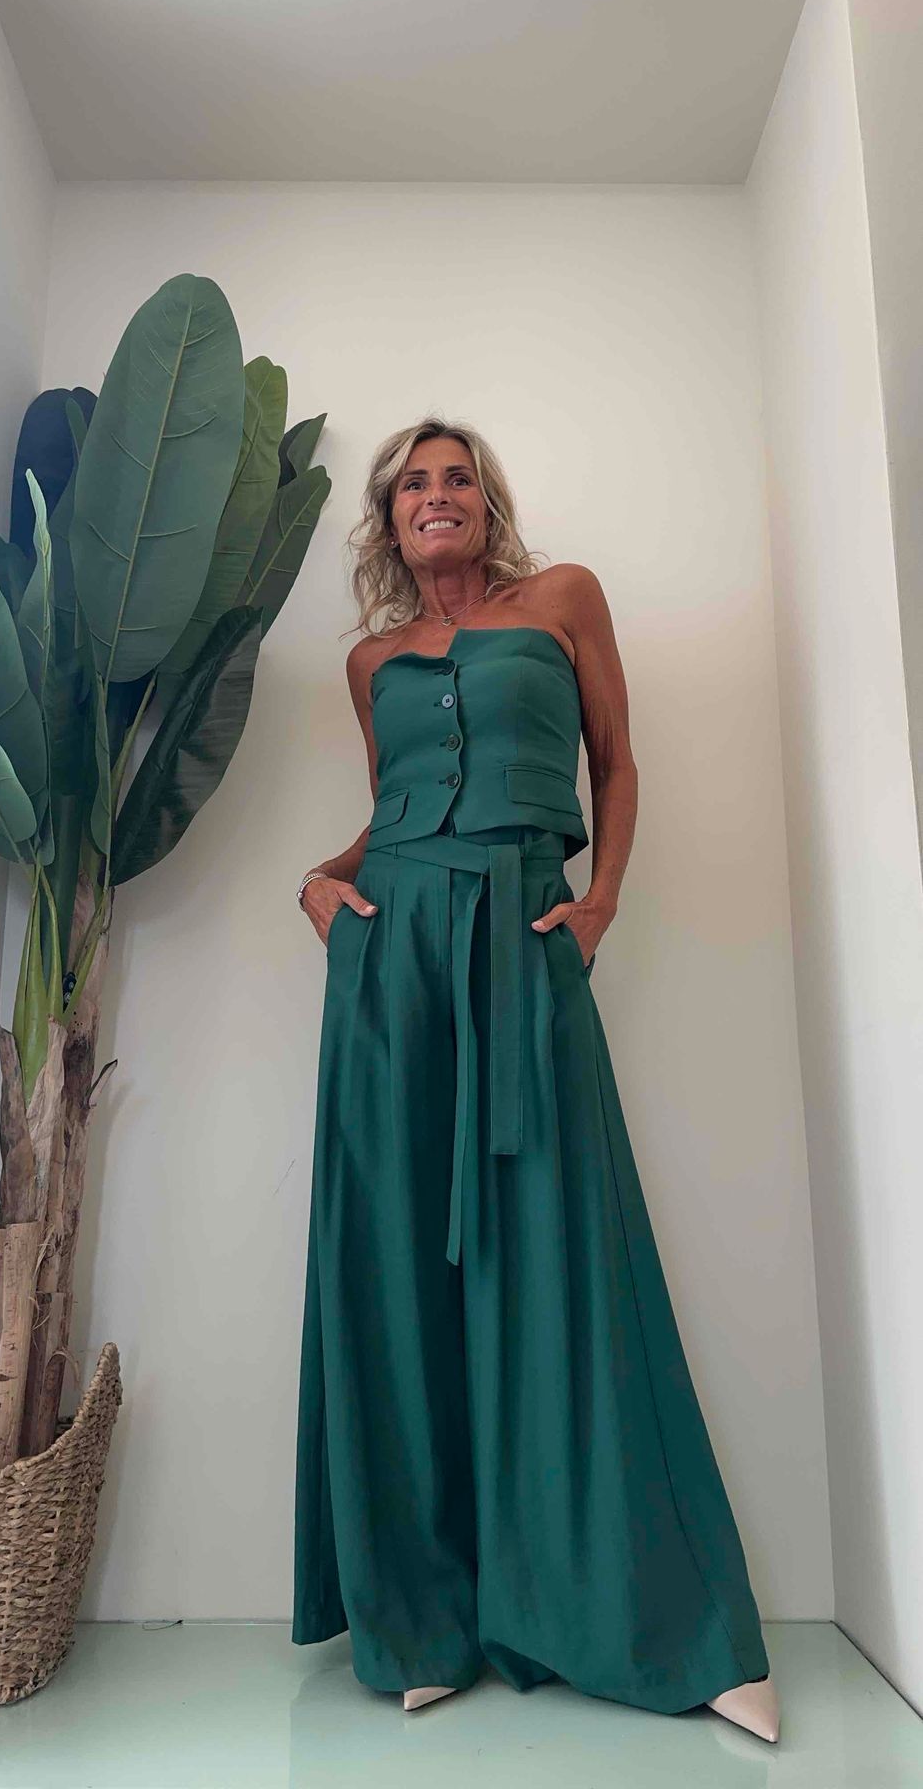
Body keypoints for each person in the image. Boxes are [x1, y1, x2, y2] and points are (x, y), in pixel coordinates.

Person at [291, 417, 780, 1744]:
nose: (436, 496)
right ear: (389, 522)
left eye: (457, 478)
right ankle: (423, 1618)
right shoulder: (370, 661)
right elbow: (395, 809)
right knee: (396, 1263)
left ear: (486, 503)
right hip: (392, 959)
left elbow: (615, 762)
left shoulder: (563, 601)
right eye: (413, 485)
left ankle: (664, 1625)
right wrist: (319, 885)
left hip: (522, 934)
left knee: (569, 1252)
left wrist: (601, 902)